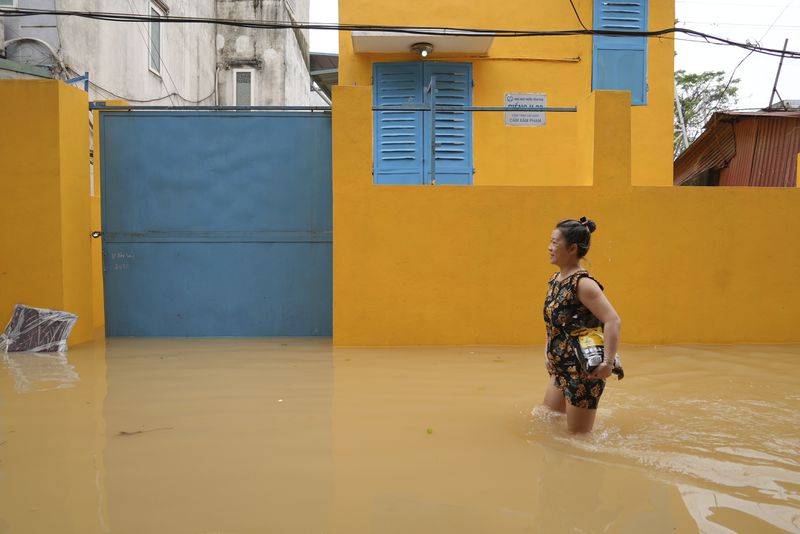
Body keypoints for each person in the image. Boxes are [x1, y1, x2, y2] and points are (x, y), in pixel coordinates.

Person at [542, 217, 621, 433]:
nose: (549, 247)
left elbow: (613, 320)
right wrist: (547, 353)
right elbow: (554, 323)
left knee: (577, 439)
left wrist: (607, 363)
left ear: (572, 248)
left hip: (583, 375)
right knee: (545, 418)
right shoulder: (556, 280)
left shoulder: (583, 284)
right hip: (560, 370)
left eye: (555, 242)